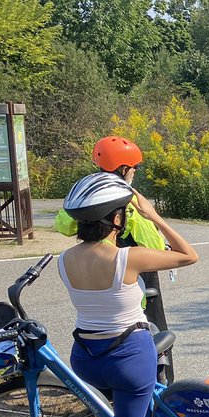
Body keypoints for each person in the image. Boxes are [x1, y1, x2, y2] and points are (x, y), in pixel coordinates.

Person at [59, 172, 199, 417]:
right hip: (129, 356)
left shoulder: (64, 259)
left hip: (86, 358)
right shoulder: (127, 257)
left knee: (120, 416)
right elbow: (189, 255)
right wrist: (153, 216)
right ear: (116, 219)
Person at [55, 137, 172, 358]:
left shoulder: (85, 191)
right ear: (123, 168)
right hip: (131, 274)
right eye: (135, 167)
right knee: (150, 334)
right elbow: (154, 244)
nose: (136, 171)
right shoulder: (125, 199)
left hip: (92, 275)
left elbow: (63, 224)